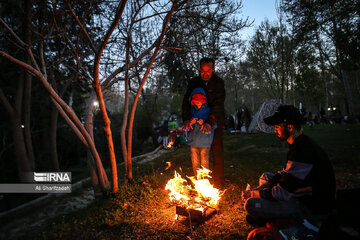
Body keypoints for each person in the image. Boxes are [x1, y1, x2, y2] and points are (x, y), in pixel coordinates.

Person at [242, 105, 336, 222]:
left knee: (251, 204)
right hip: (299, 192)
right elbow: (286, 172)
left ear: (290, 127)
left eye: (277, 126)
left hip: (311, 206)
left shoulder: (302, 151)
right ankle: (270, 212)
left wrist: (254, 194)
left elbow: (281, 193)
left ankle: (279, 217)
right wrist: (264, 187)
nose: (275, 129)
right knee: (266, 177)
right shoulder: (300, 143)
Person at [181, 57, 225, 187]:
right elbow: (186, 102)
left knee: (216, 150)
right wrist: (187, 119)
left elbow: (218, 105)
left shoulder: (218, 83)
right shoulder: (194, 82)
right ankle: (198, 181)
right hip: (195, 121)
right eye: (202, 71)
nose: (205, 74)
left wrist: (210, 122)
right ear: (199, 70)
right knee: (195, 151)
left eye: (208, 71)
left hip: (214, 119)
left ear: (213, 69)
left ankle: (217, 182)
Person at [185, 87, 216, 175]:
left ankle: (205, 179)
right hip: (193, 141)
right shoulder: (191, 111)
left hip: (205, 141)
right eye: (195, 99)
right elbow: (186, 124)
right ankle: (197, 179)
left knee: (204, 161)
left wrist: (205, 122)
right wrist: (190, 121)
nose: (198, 101)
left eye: (200, 99)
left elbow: (214, 123)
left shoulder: (208, 111)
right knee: (195, 162)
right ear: (192, 100)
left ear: (204, 100)